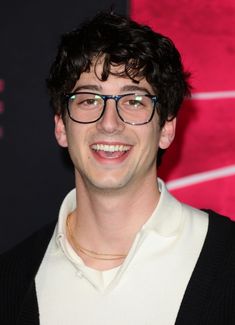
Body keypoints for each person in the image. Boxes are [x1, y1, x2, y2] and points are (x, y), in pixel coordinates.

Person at [1, 11, 235, 325]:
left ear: (166, 127)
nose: (109, 123)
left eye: (134, 101)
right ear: (60, 125)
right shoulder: (9, 282)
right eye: (89, 100)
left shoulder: (228, 261)